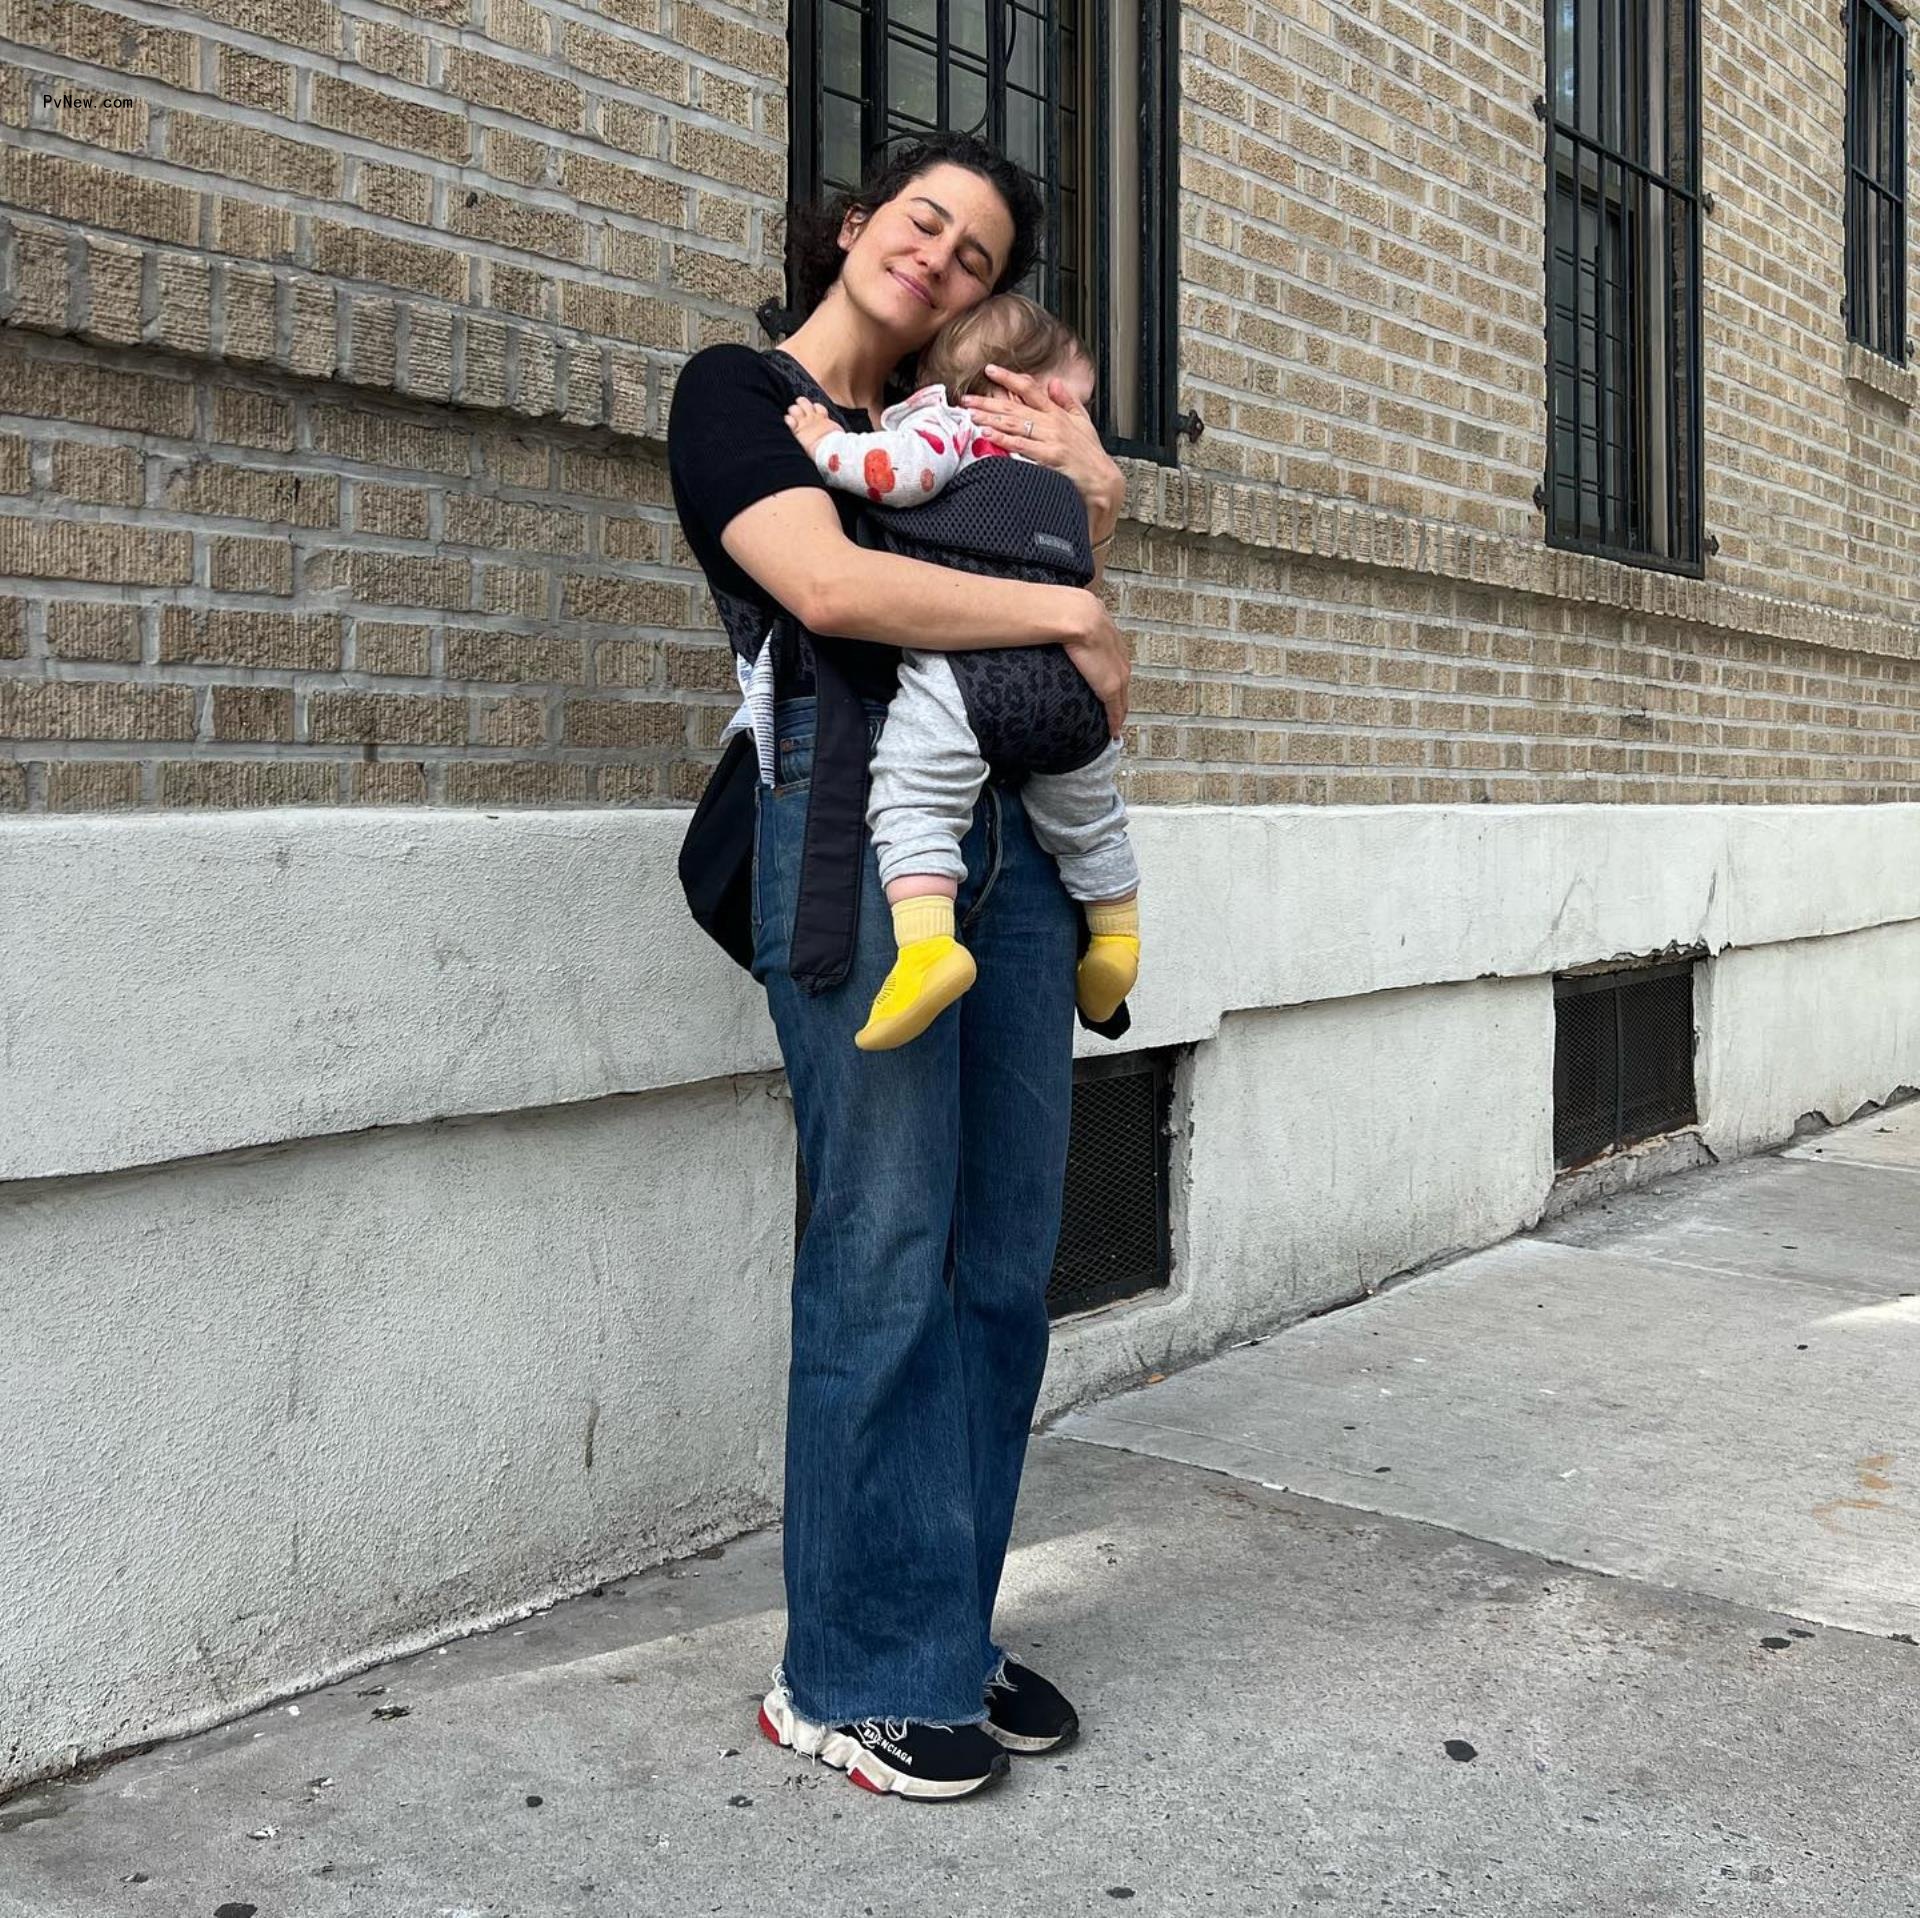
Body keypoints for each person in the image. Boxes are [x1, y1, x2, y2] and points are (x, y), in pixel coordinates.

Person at [666, 129, 1131, 1802]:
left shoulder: (965, 433)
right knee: (885, 1234)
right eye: (924, 222)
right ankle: (847, 1667)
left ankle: (937, 1618)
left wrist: (1089, 515)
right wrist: (1062, 602)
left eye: (980, 255)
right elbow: (830, 584)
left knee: (1002, 1257)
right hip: (857, 841)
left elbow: (1104, 688)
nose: (941, 257)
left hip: (1014, 858)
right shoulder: (740, 395)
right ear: (857, 225)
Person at [781, 290, 1142, 1054]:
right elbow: (1078, 586)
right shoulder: (1061, 482)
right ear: (1009, 389)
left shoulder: (947, 430)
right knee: (1089, 814)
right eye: (1068, 405)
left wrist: (823, 445)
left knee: (913, 794)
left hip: (974, 678)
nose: (1076, 428)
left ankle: (926, 947)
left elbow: (887, 475)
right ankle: (1116, 939)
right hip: (1072, 685)